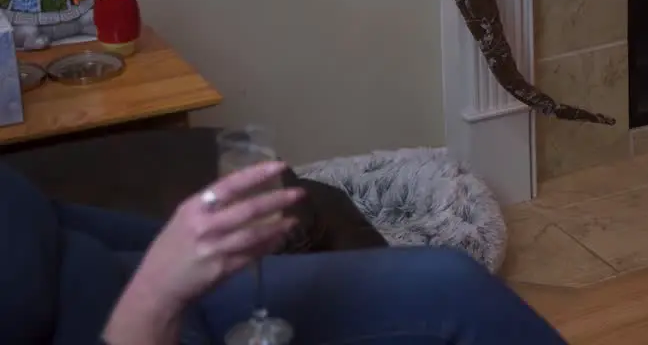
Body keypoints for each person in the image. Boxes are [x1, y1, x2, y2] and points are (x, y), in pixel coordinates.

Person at [0, 160, 569, 344]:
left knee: (451, 279)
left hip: (132, 277)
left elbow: (47, 222)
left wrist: (187, 242)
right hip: (136, 323)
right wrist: (157, 292)